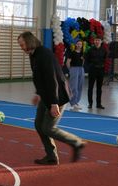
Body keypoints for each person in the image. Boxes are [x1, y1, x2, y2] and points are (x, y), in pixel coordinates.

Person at [17, 31, 85, 165]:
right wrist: (38, 93)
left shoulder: (44, 54)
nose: (21, 48)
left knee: (48, 128)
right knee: (38, 124)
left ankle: (76, 142)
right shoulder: (33, 55)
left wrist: (54, 103)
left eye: (22, 44)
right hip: (46, 95)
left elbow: (52, 79)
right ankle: (51, 156)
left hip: (57, 96)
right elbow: (39, 77)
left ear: (29, 42)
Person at [85, 37, 107, 109]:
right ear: (94, 41)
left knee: (99, 88)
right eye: (96, 40)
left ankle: (98, 104)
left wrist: (102, 67)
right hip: (92, 70)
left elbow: (105, 59)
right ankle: (90, 103)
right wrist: (90, 67)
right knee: (90, 87)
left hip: (101, 70)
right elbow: (87, 60)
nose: (97, 41)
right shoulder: (90, 50)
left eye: (98, 40)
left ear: (101, 41)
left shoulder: (104, 50)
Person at [65, 39, 84, 110]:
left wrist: (81, 68)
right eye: (78, 44)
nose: (79, 45)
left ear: (82, 45)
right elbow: (67, 62)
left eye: (80, 44)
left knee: (80, 86)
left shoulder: (82, 53)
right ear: (76, 45)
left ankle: (76, 102)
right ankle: (73, 102)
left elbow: (83, 61)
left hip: (81, 69)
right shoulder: (72, 53)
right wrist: (71, 70)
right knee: (74, 87)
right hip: (74, 69)